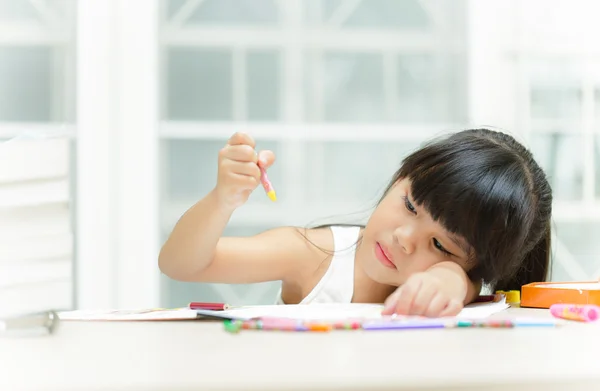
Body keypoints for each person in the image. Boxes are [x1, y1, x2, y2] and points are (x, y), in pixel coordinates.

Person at [159, 128, 552, 317]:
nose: (404, 237)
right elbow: (181, 264)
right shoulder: (313, 256)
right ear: (398, 178)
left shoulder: (458, 281)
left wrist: (452, 278)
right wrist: (221, 201)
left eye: (440, 245)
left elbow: (457, 283)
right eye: (410, 205)